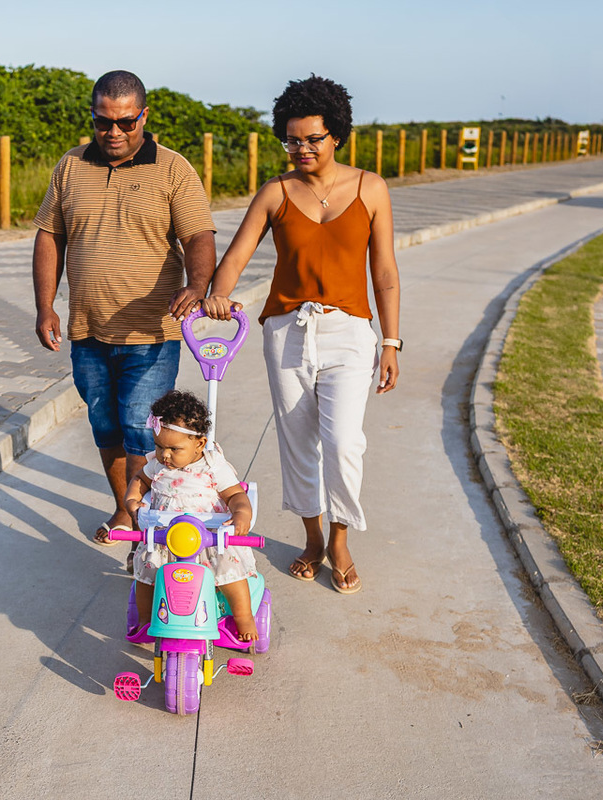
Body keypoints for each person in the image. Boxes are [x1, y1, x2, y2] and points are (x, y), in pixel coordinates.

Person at [203, 75, 401, 595]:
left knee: (343, 444)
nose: (302, 149)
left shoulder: (370, 188)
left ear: (336, 134)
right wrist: (217, 295)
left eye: (312, 138)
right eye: (291, 139)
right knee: (298, 444)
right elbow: (236, 258)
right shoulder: (276, 192)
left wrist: (391, 341)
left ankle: (340, 538)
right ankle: (312, 537)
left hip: (351, 333)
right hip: (288, 333)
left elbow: (384, 272)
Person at [32, 69, 217, 555]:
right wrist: (44, 306)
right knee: (106, 424)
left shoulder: (174, 169)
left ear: (144, 116)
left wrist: (198, 285)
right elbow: (50, 236)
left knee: (141, 426)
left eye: (126, 122)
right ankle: (126, 507)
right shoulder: (70, 167)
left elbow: (198, 235)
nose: (114, 133)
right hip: (88, 329)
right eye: (103, 122)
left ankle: (146, 520)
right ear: (93, 116)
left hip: (152, 331)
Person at [124, 390, 258, 639]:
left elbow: (236, 495)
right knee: (146, 573)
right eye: (159, 446)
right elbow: (139, 480)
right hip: (165, 538)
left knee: (229, 571)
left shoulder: (212, 466)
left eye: (174, 449)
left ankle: (243, 618)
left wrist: (241, 514)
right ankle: (146, 621)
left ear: (199, 444)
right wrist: (132, 500)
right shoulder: (158, 465)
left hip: (209, 539)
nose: (165, 455)